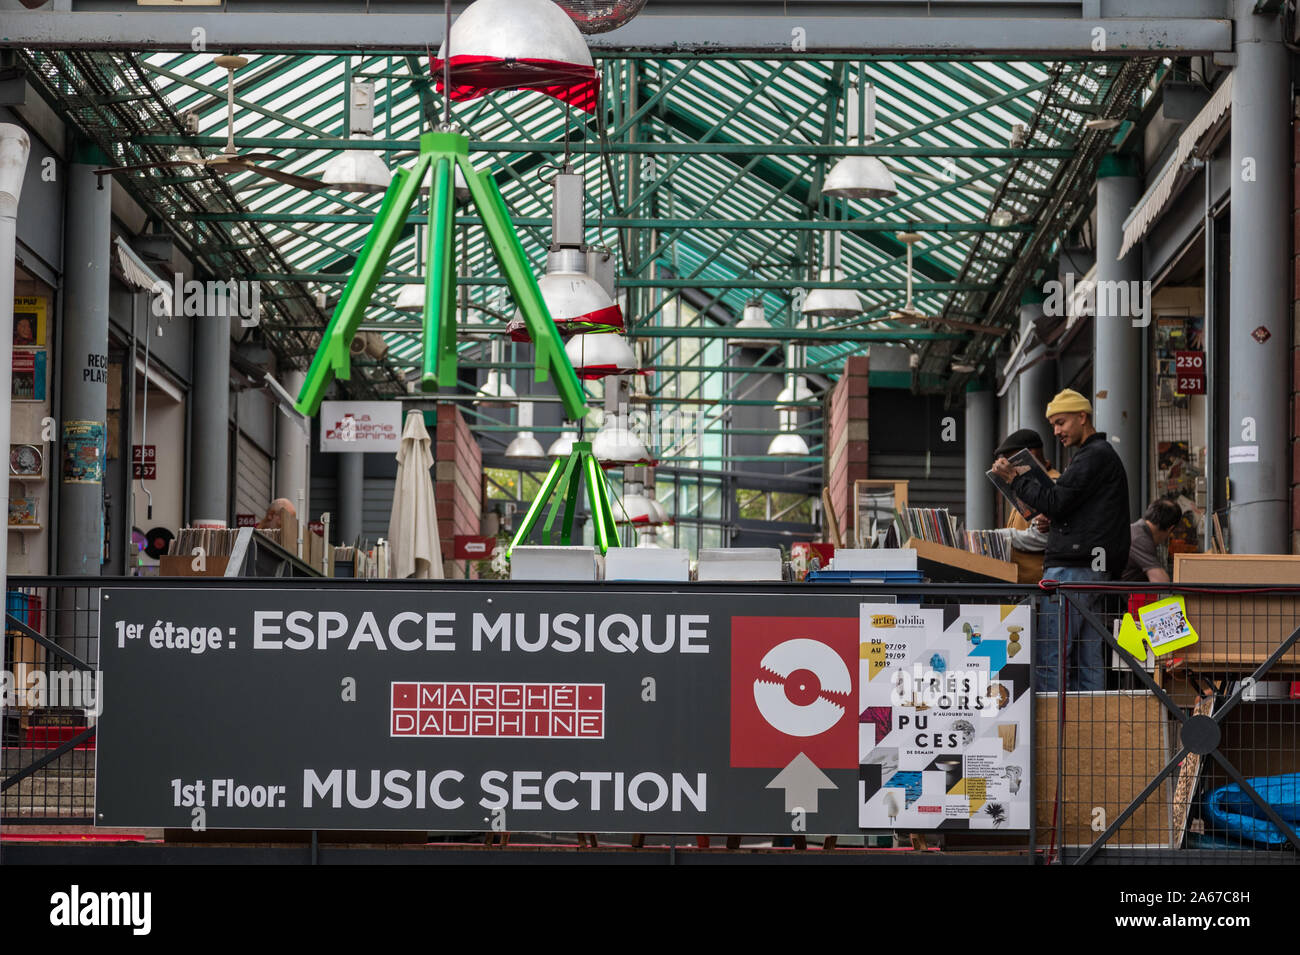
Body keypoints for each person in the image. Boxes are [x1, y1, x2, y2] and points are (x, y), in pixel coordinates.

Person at [990, 389, 1130, 691]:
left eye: (1061, 422)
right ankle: (1091, 730)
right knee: (1087, 657)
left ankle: (1053, 733)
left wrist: (1015, 478)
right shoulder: (1099, 456)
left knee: (1053, 655)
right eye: (1053, 424)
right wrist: (1054, 518)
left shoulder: (1092, 456)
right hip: (1090, 571)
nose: (1056, 431)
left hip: (1071, 570)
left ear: (1083, 417)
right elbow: (1071, 507)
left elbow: (1055, 501)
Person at [994, 428, 1060, 584]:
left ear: (1031, 454)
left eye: (1013, 461)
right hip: (1020, 581)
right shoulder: (1022, 486)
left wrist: (1000, 536)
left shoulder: (1054, 485)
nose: (1009, 468)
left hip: (1038, 583)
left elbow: (1043, 537)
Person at [1122, 499, 1181, 582]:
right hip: (1117, 594)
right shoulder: (1140, 539)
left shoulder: (1136, 530)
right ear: (1170, 528)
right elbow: (1161, 581)